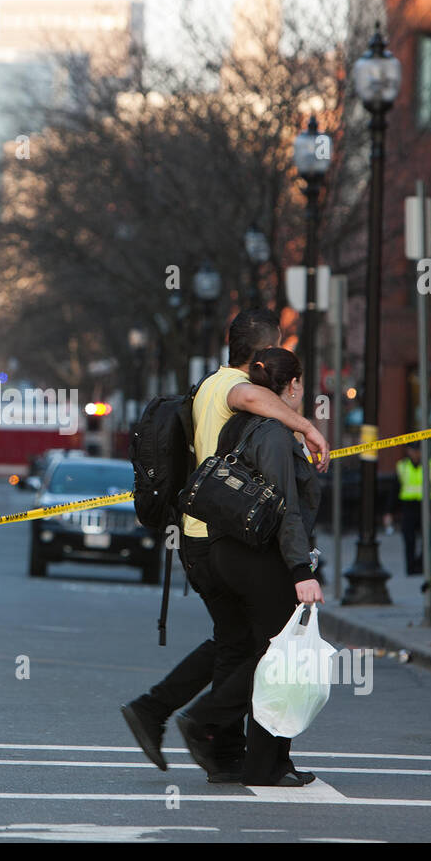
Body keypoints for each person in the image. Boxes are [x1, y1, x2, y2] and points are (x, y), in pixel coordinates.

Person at [120, 309, 328, 778]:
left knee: (232, 646)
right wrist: (307, 426)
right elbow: (252, 395)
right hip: (225, 535)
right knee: (267, 647)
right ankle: (210, 725)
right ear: (261, 354)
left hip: (202, 538)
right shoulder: (230, 388)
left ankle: (190, 731)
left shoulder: (209, 387)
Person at [175, 347, 323, 785]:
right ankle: (214, 724)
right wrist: (302, 571)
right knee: (277, 658)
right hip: (256, 556)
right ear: (292, 386)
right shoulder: (274, 434)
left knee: (261, 652)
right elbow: (286, 508)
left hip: (224, 550)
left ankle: (258, 760)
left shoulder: (240, 424)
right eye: (301, 383)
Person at [383, 442, 431, 576]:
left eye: (419, 450)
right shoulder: (402, 467)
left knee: (428, 539)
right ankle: (411, 568)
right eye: (414, 450)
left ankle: (422, 565)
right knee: (409, 539)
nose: (417, 454)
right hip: (409, 507)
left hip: (428, 506)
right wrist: (389, 512)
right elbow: (394, 491)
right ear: (408, 451)